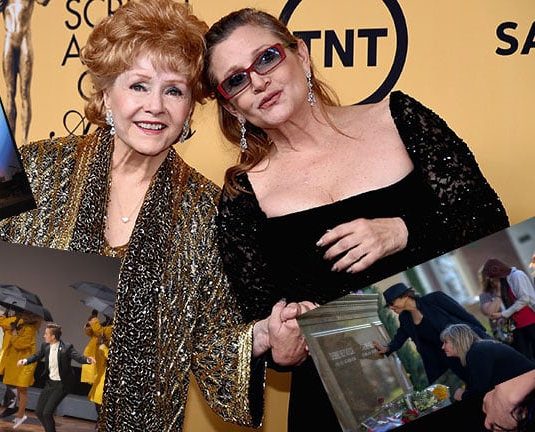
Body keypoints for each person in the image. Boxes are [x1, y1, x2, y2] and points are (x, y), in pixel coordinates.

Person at [0, 1, 310, 430]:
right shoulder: (38, 170)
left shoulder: (206, 211)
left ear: (190, 108)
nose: (155, 106)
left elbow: (213, 347)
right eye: (138, 86)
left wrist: (265, 336)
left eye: (174, 90)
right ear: (104, 94)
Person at [202, 7, 509, 431]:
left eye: (266, 58)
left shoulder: (399, 119)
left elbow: (488, 218)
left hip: (462, 390)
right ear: (231, 106)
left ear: (303, 56)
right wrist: (280, 344)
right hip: (337, 408)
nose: (257, 81)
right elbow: (260, 321)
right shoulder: (241, 198)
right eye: (236, 80)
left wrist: (403, 230)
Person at [373, 283, 490, 385]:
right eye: (388, 305)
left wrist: (484, 335)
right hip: (450, 359)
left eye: (392, 303)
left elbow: (463, 314)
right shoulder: (405, 318)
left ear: (404, 296)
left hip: (468, 347)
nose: (391, 307)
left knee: (488, 376)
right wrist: (387, 348)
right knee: (474, 384)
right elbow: (400, 337)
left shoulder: (435, 299)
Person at [0, 0, 49, 144]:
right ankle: (11, 141)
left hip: (24, 41)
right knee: (10, 93)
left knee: (25, 92)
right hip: (9, 41)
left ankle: (25, 140)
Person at [17, 323, 95, 432]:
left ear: (53, 336)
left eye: (46, 334)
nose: (44, 336)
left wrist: (87, 360)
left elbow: (77, 357)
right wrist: (25, 360)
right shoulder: (45, 346)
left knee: (47, 413)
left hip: (61, 384)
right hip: (50, 383)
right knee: (39, 412)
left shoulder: (66, 347)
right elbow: (37, 356)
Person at [440, 323, 535, 401]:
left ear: (457, 340)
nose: (443, 347)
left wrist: (462, 395)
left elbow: (480, 391)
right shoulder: (478, 349)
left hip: (529, 390)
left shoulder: (477, 352)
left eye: (445, 342)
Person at [480, 258, 535, 360]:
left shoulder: (517, 275)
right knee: (525, 357)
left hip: (530, 320)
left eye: (492, 277)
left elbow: (524, 299)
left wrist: (503, 314)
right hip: (516, 325)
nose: (491, 280)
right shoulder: (504, 281)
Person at [0, 310, 42, 429]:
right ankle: (19, 414)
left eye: (24, 314)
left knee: (22, 390)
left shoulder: (29, 329)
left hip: (25, 364)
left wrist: (13, 334)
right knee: (19, 389)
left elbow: (21, 344)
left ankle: (21, 415)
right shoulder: (23, 326)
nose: (21, 316)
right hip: (18, 362)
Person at [0, 309, 21, 419]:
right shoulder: (15, 320)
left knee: (11, 382)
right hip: (8, 354)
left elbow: (1, 322)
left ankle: (12, 406)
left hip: (12, 355)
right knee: (9, 381)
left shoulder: (16, 320)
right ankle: (10, 405)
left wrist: (4, 313)